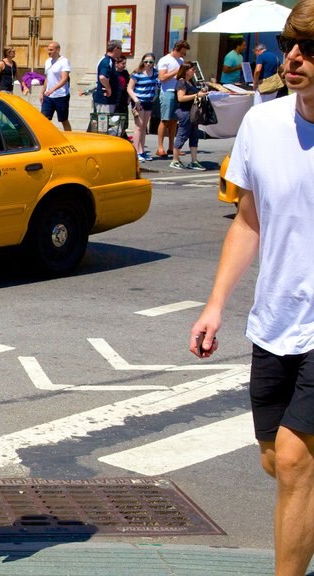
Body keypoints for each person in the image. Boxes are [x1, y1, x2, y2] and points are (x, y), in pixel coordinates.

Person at [191, 3, 314, 574]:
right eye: (292, 44)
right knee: (275, 459)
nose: (294, 56)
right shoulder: (263, 123)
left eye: (309, 48)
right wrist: (215, 305)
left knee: (294, 462)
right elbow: (248, 220)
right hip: (274, 321)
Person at [156, 40, 190, 158]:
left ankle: (172, 147)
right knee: (165, 120)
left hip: (177, 92)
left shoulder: (180, 61)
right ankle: (160, 147)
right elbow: (162, 77)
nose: (183, 56)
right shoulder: (165, 60)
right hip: (167, 92)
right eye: (182, 53)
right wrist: (177, 70)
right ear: (176, 50)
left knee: (174, 121)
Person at [170, 62, 206, 170]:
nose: (194, 72)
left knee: (194, 135)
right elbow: (181, 98)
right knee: (182, 134)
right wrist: (196, 95)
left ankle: (194, 161)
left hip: (192, 111)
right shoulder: (181, 82)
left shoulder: (190, 82)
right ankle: (175, 160)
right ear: (186, 70)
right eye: (192, 70)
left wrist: (201, 92)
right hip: (184, 111)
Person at [128, 53, 159, 161]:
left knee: (144, 127)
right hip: (139, 102)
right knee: (138, 127)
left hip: (149, 101)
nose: (148, 64)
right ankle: (136, 151)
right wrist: (135, 100)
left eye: (151, 62)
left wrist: (155, 95)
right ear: (142, 61)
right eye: (146, 62)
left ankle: (142, 151)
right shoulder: (137, 73)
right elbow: (129, 88)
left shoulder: (155, 73)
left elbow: (156, 85)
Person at [41, 41, 73, 131]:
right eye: (48, 50)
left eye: (51, 50)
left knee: (63, 120)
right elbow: (47, 78)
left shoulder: (64, 61)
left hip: (61, 96)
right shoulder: (48, 62)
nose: (49, 52)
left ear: (58, 50)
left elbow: (64, 79)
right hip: (48, 96)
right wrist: (42, 92)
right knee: (44, 119)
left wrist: (52, 89)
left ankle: (69, 137)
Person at [94, 40, 123, 114]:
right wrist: (108, 88)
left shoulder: (107, 60)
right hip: (105, 100)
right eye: (120, 49)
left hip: (108, 100)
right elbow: (102, 77)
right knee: (103, 123)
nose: (121, 52)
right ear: (116, 49)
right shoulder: (107, 61)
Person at [114, 56, 131, 136]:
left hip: (124, 101)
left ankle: (123, 134)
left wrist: (129, 97)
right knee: (115, 121)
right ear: (116, 64)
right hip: (116, 101)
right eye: (122, 63)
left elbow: (129, 85)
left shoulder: (125, 73)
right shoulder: (113, 73)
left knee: (124, 121)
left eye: (125, 63)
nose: (124, 65)